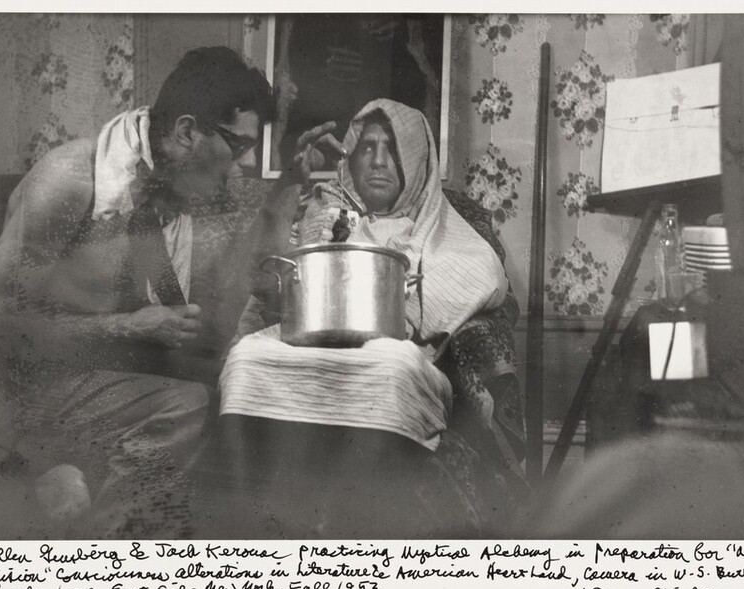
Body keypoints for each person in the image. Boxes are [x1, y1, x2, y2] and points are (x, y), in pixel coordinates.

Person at [0, 46, 342, 538]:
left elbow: (232, 305)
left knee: (235, 393)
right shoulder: (69, 180)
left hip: (106, 380)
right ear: (187, 131)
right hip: (22, 388)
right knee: (185, 404)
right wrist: (125, 326)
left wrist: (292, 180)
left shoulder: (175, 186)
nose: (244, 165)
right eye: (238, 147)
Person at [212, 99, 529, 538]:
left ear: (416, 159)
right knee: (245, 360)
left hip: (398, 350)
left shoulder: (448, 232)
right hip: (308, 343)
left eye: (393, 149)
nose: (378, 161)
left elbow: (478, 280)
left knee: (390, 368)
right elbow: (269, 284)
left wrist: (406, 305)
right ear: (350, 156)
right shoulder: (322, 213)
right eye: (366, 148)